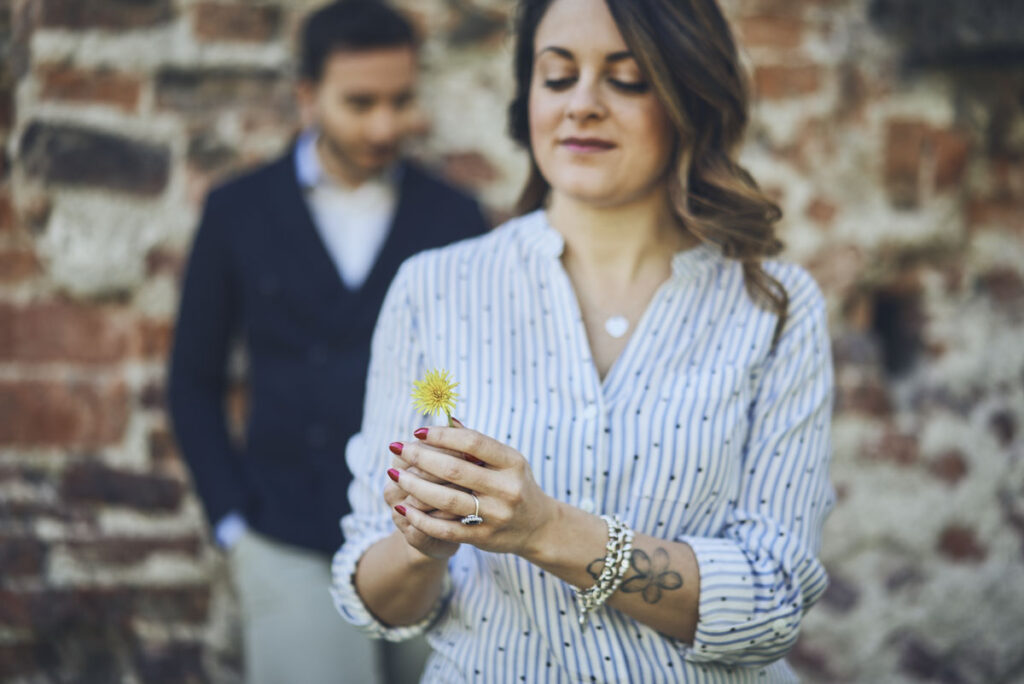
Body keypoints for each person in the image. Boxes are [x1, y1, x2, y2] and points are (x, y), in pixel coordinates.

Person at [331, 0, 834, 681]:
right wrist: (421, 543)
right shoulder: (434, 289)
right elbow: (370, 596)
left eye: (626, 80)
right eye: (557, 76)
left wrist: (545, 530)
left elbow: (772, 602)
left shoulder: (772, 307)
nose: (582, 105)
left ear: (690, 98)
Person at [167, 1, 489, 682]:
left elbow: (484, 379)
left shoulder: (455, 216)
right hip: (284, 532)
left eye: (400, 101)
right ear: (307, 97)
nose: (383, 124)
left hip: (425, 542)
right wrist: (232, 525)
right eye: (359, 102)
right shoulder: (238, 210)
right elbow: (193, 379)